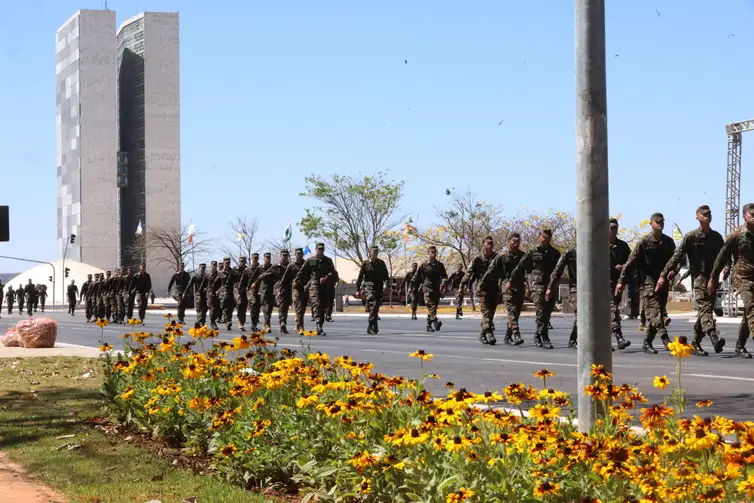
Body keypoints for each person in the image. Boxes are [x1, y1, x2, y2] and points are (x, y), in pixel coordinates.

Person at [659, 205, 725, 356]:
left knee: (704, 312)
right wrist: (665, 273)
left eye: (709, 213)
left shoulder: (716, 237)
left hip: (713, 278)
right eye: (704, 214)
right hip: (699, 279)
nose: (708, 216)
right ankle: (714, 338)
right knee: (706, 309)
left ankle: (695, 343)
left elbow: (724, 255)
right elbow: (677, 256)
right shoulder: (691, 237)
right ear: (698, 217)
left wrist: (726, 268)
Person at [616, 212, 676, 354]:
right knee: (654, 312)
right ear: (651, 223)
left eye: (662, 221)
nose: (660, 224)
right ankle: (666, 339)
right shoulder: (644, 242)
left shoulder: (668, 242)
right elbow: (630, 262)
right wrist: (621, 281)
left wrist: (674, 270)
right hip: (648, 282)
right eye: (657, 222)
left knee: (658, 312)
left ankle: (647, 341)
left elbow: (676, 259)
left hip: (663, 282)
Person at [710, 202, 754, 359]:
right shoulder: (736, 235)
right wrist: (713, 278)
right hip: (741, 277)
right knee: (751, 305)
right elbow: (722, 257)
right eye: (752, 215)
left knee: (748, 313)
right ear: (744, 216)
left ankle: (740, 345)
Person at [508, 229, 561, 349]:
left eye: (548, 238)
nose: (546, 240)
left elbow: (558, 271)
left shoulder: (555, 253)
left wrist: (553, 286)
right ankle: (545, 337)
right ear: (539, 237)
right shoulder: (532, 252)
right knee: (541, 311)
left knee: (547, 313)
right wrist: (511, 281)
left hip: (550, 285)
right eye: (544, 237)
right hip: (536, 285)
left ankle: (537, 335)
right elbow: (520, 267)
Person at [481, 233, 526, 346]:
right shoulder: (502, 256)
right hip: (506, 286)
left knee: (516, 313)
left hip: (519, 287)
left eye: (518, 242)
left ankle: (508, 335)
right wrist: (481, 284)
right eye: (513, 241)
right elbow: (490, 271)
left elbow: (529, 271)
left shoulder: (523, 256)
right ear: (509, 242)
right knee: (510, 310)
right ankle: (516, 334)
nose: (516, 244)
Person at [294, 243, 337, 335]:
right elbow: (302, 271)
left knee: (323, 306)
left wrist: (326, 277)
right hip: (314, 285)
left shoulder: (328, 261)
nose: (320, 251)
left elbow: (333, 272)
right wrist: (296, 281)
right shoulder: (310, 260)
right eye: (318, 249)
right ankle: (318, 325)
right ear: (316, 249)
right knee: (316, 303)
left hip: (325, 286)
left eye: (322, 249)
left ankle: (320, 325)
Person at [465, 236, 498, 344]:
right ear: (483, 244)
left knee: (491, 313)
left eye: (491, 243)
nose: (490, 245)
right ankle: (489, 333)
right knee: (486, 312)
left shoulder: (497, 258)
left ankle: (482, 334)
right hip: (482, 289)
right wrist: (463, 285)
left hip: (494, 289)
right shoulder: (478, 259)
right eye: (488, 243)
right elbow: (469, 273)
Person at [411, 246, 448, 332]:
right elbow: (417, 276)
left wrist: (444, 281)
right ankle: (435, 322)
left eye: (435, 252)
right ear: (428, 253)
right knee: (431, 306)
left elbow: (444, 276)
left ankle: (428, 325)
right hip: (427, 289)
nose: (433, 253)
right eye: (431, 252)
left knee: (433, 308)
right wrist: (413, 284)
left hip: (436, 289)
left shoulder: (440, 265)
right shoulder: (424, 265)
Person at [608, 218, 632, 350]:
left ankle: (605, 341)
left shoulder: (623, 246)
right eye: (611, 228)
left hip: (617, 283)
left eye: (615, 228)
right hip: (603, 283)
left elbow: (631, 263)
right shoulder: (599, 245)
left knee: (611, 311)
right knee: (612, 309)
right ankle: (619, 337)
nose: (613, 230)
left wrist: (623, 267)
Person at [547, 246, 577, 348]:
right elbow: (557, 271)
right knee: (581, 313)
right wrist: (550, 287)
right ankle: (573, 339)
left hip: (593, 288)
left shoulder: (597, 251)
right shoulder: (570, 253)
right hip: (576, 288)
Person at [356, 245, 390, 334]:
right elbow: (360, 277)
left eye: (377, 251)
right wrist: (358, 289)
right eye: (373, 251)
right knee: (372, 300)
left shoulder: (381, 263)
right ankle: (371, 324)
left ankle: (374, 324)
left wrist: (386, 285)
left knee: (376, 306)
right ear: (370, 252)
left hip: (378, 287)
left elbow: (386, 276)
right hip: (368, 287)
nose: (375, 252)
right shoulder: (365, 263)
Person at [256, 250, 291, 333]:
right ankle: (267, 325)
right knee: (268, 308)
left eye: (286, 256)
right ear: (280, 256)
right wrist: (260, 280)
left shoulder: (290, 266)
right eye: (283, 255)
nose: (284, 257)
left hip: (287, 290)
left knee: (284, 307)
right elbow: (264, 275)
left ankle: (283, 324)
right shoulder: (276, 267)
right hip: (276, 290)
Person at [282, 248, 308, 334]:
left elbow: (311, 276)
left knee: (303, 308)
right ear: (295, 254)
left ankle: (297, 324)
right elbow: (285, 279)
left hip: (305, 289)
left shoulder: (306, 264)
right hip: (295, 289)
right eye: (298, 254)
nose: (299, 255)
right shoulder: (291, 265)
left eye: (301, 253)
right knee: (298, 307)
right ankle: (301, 327)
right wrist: (280, 290)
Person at [207, 261, 221, 330]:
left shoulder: (219, 275)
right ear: (211, 266)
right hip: (210, 294)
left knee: (217, 309)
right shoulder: (208, 275)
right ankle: (212, 322)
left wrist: (219, 290)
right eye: (213, 265)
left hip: (217, 294)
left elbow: (222, 284)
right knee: (212, 308)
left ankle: (213, 320)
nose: (214, 266)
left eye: (215, 265)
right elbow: (204, 284)